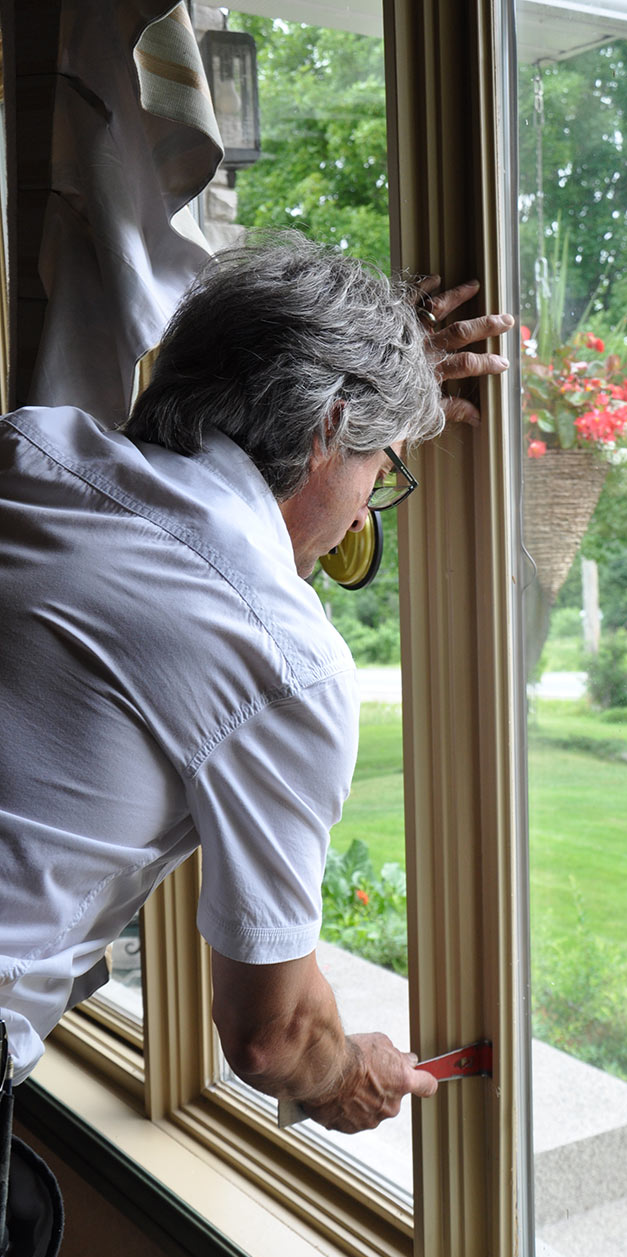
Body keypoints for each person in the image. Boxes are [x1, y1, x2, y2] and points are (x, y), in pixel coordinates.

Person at [0, 232, 514, 1134]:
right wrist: (347, 1073)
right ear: (328, 429)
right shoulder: (277, 653)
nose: (366, 509)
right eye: (382, 472)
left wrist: (362, 379)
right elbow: (272, 1038)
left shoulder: (29, 449)